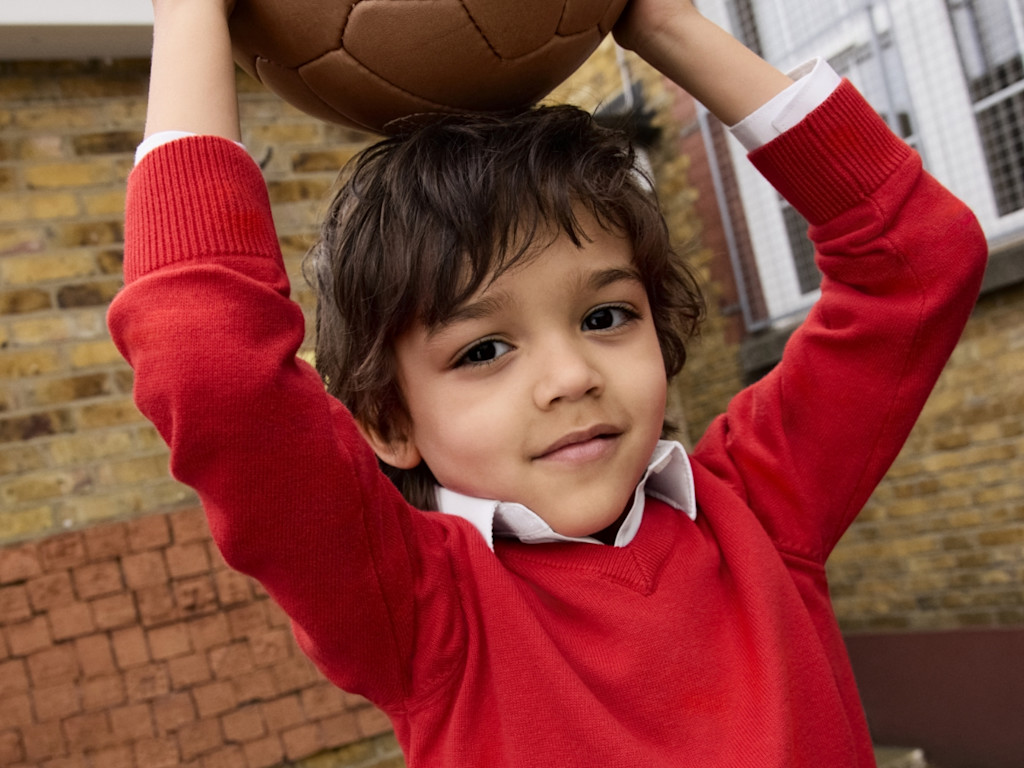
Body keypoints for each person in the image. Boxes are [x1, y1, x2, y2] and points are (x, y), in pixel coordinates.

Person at [108, 0, 988, 765]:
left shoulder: (759, 510)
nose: (570, 378)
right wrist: (188, 18)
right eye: (482, 351)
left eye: (606, 317)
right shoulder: (419, 610)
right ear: (385, 421)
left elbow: (917, 260)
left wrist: (671, 26)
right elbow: (209, 370)